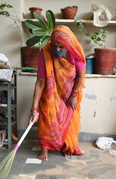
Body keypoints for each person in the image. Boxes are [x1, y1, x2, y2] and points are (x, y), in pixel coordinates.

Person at [29, 25, 86, 161]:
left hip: (70, 92)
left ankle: (66, 146)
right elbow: (40, 83)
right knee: (47, 115)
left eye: (61, 47)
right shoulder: (46, 53)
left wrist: (73, 96)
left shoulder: (75, 53)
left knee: (69, 117)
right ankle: (44, 149)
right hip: (51, 91)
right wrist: (34, 108)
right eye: (55, 46)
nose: (57, 50)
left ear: (68, 45)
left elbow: (80, 76)